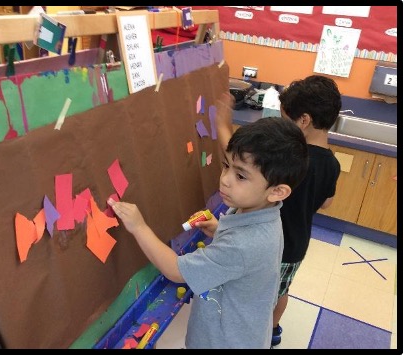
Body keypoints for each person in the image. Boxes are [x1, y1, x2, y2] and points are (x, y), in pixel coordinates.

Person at [108, 117, 309, 349]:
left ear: (277, 191)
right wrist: (219, 230)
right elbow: (243, 257)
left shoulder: (245, 244)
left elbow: (176, 271)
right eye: (226, 166)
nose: (224, 180)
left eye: (240, 176)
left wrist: (139, 227)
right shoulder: (263, 213)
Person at [213, 75, 342, 347]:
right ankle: (273, 328)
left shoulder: (293, 163)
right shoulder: (331, 162)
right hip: (297, 245)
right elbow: (327, 202)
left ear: (304, 121)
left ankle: (261, 332)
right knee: (281, 290)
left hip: (273, 246)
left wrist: (222, 122)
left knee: (261, 295)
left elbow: (239, 161)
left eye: (286, 119)